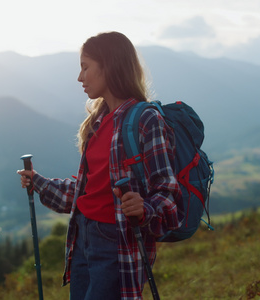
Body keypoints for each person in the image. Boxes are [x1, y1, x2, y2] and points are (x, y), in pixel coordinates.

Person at [17, 31, 182, 300]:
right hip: (83, 237)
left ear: (109, 65)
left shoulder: (145, 120)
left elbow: (169, 194)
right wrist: (39, 182)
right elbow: (87, 191)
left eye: (85, 67)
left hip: (116, 242)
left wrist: (146, 208)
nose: (79, 77)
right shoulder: (98, 122)